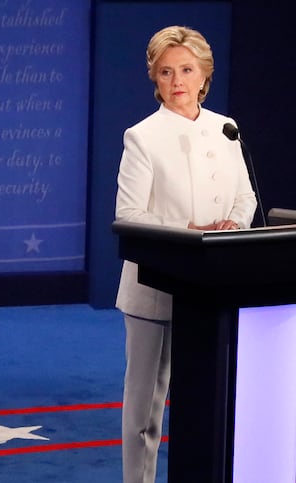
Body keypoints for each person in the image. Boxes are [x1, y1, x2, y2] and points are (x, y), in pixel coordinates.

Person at [114, 26, 257, 483]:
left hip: (214, 287)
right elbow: (129, 215)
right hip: (155, 286)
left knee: (210, 402)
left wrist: (232, 227)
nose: (177, 80)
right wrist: (190, 231)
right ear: (154, 79)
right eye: (166, 71)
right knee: (145, 412)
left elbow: (245, 198)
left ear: (204, 75)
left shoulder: (225, 128)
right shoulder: (142, 136)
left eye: (187, 70)